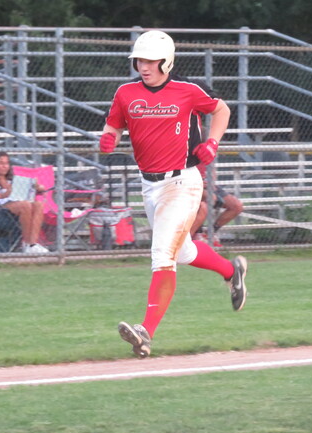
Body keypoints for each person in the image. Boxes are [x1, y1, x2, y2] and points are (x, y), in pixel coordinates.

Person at [99, 30, 248, 358]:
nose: (143, 66)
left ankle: (145, 332)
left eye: (150, 60)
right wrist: (109, 137)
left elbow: (220, 110)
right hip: (149, 185)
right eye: (139, 60)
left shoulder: (187, 90)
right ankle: (230, 270)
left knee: (162, 255)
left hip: (182, 181)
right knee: (182, 252)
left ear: (166, 61)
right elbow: (114, 124)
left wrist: (212, 142)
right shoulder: (126, 92)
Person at [0, 151, 49, 254]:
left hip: (16, 205)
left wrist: (37, 187)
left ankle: (32, 244)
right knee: (25, 205)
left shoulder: (12, 181)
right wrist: (5, 194)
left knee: (38, 204)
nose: (5, 166)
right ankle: (26, 243)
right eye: (1, 163)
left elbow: (28, 191)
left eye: (7, 163)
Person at [190, 163, 244, 247]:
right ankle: (196, 234)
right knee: (207, 202)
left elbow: (211, 167)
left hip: (209, 185)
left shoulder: (209, 150)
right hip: (192, 184)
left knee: (236, 206)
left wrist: (211, 181)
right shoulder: (188, 150)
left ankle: (210, 233)